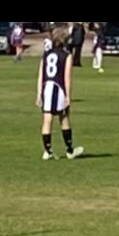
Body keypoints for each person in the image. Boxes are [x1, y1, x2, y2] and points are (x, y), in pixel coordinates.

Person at [38, 28, 83, 160]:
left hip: (46, 88)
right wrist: (68, 96)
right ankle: (70, 150)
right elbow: (67, 77)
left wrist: (39, 94)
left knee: (47, 120)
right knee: (64, 118)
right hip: (59, 89)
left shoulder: (46, 54)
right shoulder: (66, 55)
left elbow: (41, 75)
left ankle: (47, 151)